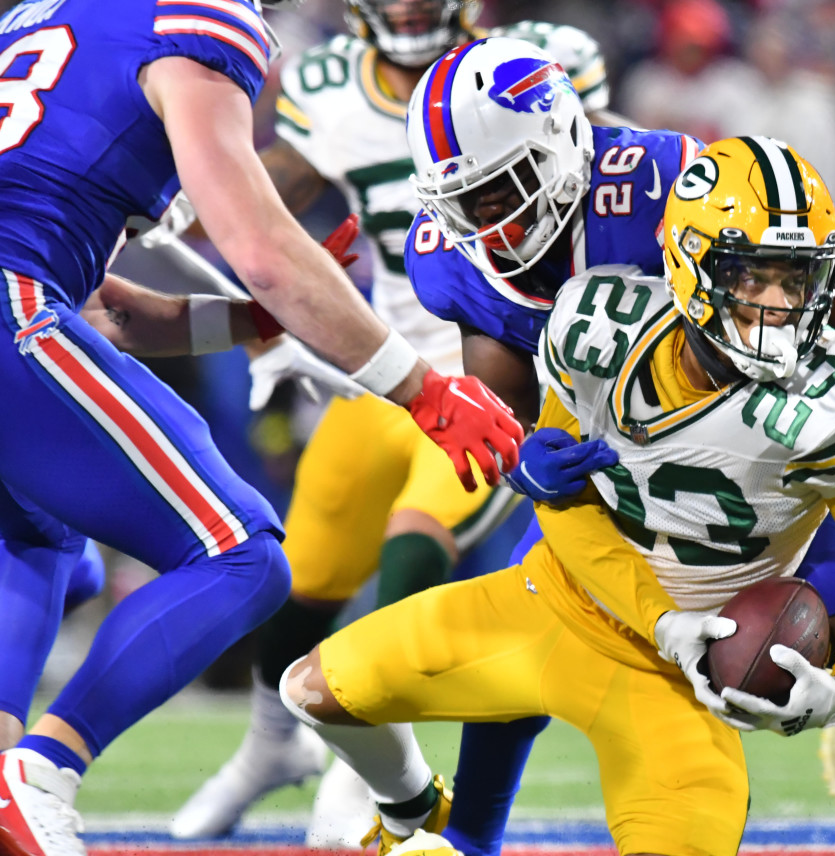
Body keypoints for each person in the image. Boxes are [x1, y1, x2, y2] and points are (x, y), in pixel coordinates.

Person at [279, 135, 835, 856]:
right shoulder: (591, 322)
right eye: (752, 276)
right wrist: (528, 465)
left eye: (797, 277)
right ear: (688, 264)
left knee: (834, 600)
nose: (779, 305)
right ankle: (441, 826)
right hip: (573, 598)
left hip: (694, 642)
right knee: (311, 688)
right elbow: (553, 484)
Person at [0, 0, 522, 854]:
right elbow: (265, 249)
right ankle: (42, 771)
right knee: (240, 553)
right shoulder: (196, 27)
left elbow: (109, 310)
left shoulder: (46, 21)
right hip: (12, 300)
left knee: (38, 537)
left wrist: (250, 325)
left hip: (28, 296)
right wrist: (422, 389)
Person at [398, 37, 835, 856]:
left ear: (556, 146)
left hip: (752, 431)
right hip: (624, 456)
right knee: (535, 616)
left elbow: (828, 295)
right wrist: (527, 461)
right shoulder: (456, 263)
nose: (489, 224)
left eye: (500, 189)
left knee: (827, 618)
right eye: (465, 203)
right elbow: (517, 416)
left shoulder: (658, 184)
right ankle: (469, 837)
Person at [170, 3, 617, 846]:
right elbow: (260, 195)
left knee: (416, 544)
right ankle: (272, 745)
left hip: (489, 373)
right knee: (298, 580)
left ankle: (367, 769)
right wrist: (162, 221)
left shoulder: (520, 70)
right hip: (380, 373)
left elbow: (616, 156)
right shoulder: (330, 91)